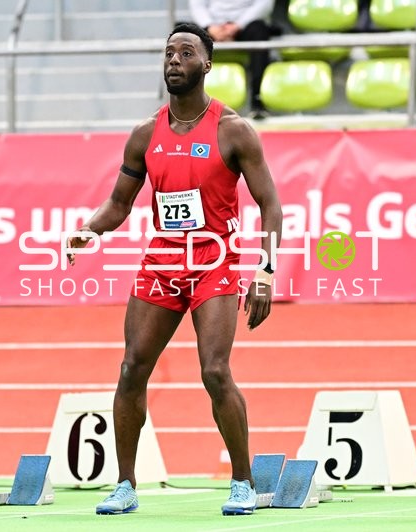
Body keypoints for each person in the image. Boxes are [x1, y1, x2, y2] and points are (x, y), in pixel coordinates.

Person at [67, 23, 282, 516]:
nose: (174, 60)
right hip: (162, 262)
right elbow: (119, 203)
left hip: (215, 261)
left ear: (206, 64)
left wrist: (265, 271)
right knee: (130, 369)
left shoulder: (233, 130)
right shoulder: (146, 133)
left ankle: (243, 482)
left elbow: (271, 204)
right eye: (168, 53)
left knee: (215, 370)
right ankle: (125, 485)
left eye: (186, 53)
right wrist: (90, 229)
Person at [188, 0, 275, 118]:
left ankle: (258, 102)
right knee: (183, 35)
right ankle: (186, 104)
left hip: (246, 25)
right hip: (212, 27)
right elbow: (197, 6)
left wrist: (238, 25)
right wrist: (210, 26)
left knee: (259, 30)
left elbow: (264, 4)